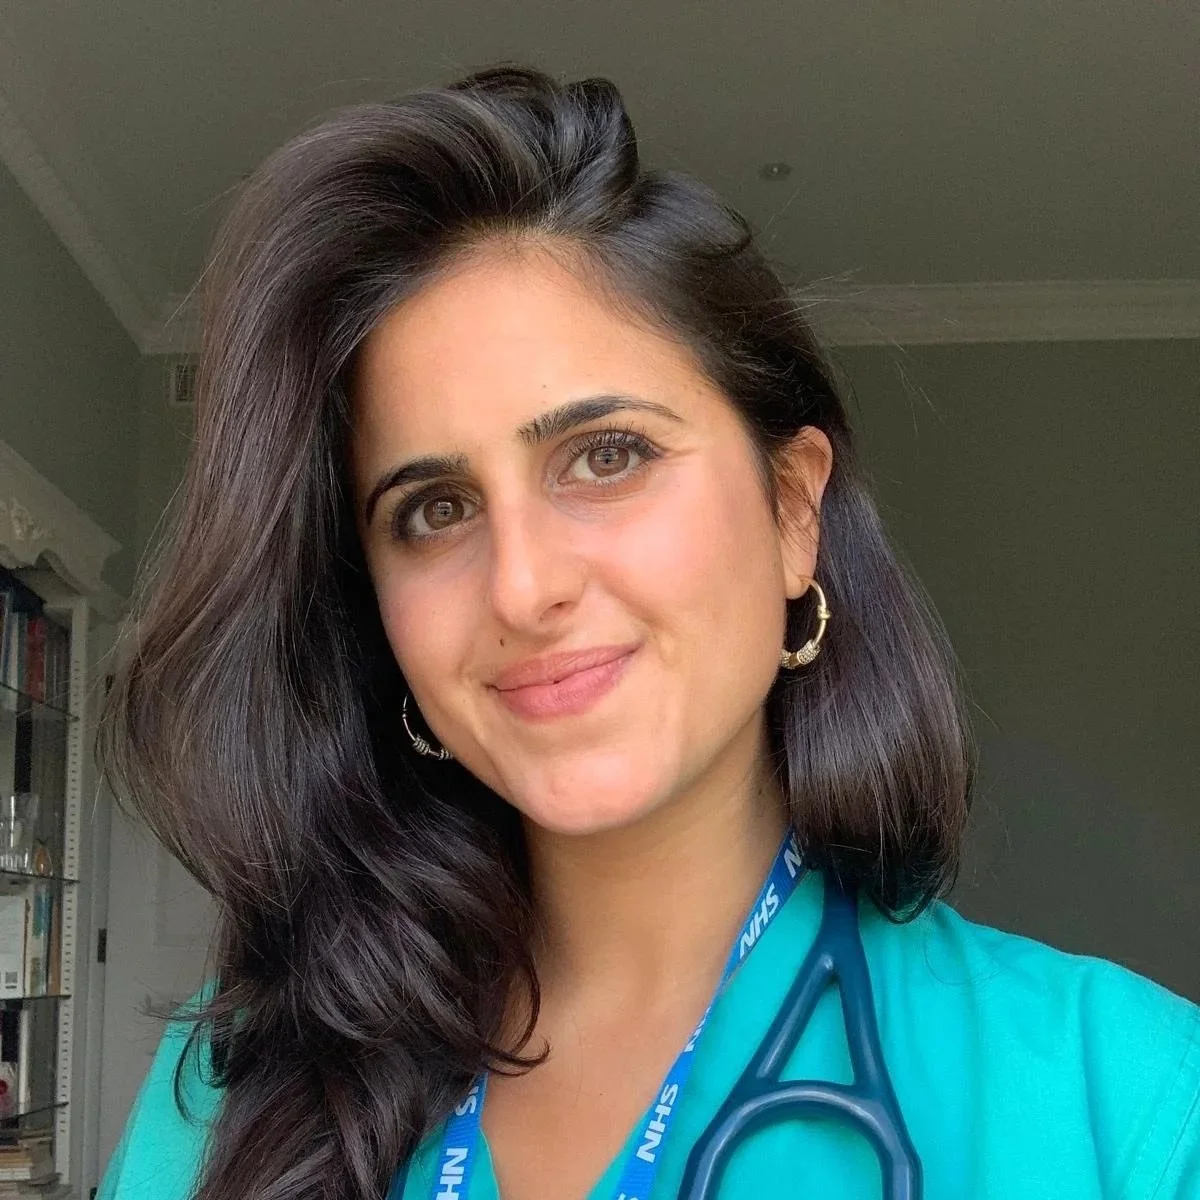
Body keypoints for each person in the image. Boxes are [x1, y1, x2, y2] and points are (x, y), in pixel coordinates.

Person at [97, 65, 1198, 1200]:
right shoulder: (234, 1094)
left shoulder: (1128, 1105)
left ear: (789, 512)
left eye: (606, 455)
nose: (522, 588)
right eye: (434, 509)